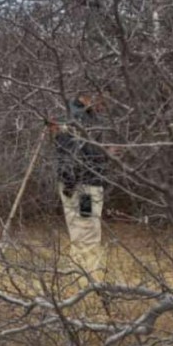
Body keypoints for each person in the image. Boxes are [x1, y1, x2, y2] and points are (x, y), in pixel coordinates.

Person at [54, 94, 107, 272]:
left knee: (83, 234)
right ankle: (87, 279)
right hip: (82, 187)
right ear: (88, 95)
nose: (104, 105)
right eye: (102, 99)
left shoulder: (88, 116)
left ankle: (80, 274)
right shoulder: (74, 117)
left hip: (86, 183)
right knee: (87, 234)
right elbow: (68, 154)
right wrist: (72, 186)